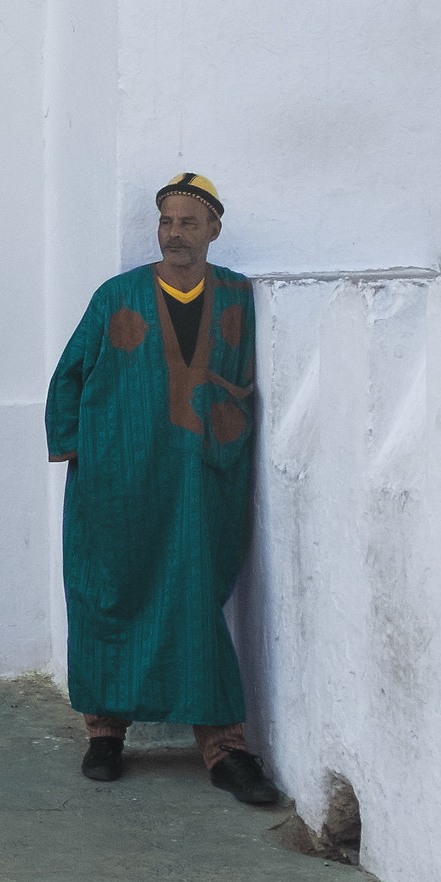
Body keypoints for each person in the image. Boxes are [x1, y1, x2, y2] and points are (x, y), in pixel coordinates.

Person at [44, 172, 280, 806]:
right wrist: (78, 449)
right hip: (118, 479)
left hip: (201, 487)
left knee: (195, 599)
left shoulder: (238, 298)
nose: (175, 234)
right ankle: (105, 734)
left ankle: (224, 749)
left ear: (214, 230)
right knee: (110, 593)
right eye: (167, 221)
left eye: (189, 223)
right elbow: (69, 374)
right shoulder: (116, 296)